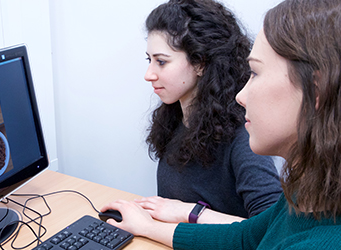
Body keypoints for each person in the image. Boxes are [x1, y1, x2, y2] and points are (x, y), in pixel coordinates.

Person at [102, 0, 341, 248]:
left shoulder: (242, 137)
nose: (241, 96)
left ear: (316, 91)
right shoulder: (301, 196)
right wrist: (149, 227)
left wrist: (191, 213)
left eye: (256, 73)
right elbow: (246, 237)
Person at [139, 0, 282, 224]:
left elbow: (271, 227)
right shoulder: (173, 119)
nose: (149, 74)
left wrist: (191, 213)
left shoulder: (243, 136)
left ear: (200, 63)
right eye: (149, 60)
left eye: (161, 62)